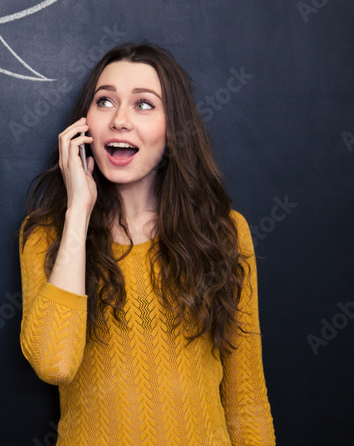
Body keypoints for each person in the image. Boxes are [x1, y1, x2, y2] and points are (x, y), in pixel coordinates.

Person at [19, 43, 275, 445]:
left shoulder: (223, 233)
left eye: (143, 105)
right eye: (105, 102)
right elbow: (54, 363)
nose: (120, 120)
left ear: (173, 127)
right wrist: (77, 214)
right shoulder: (47, 237)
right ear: (84, 125)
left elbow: (247, 398)